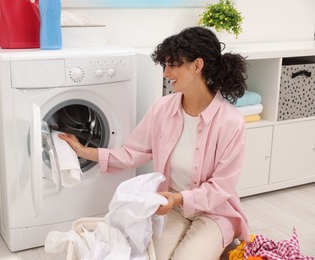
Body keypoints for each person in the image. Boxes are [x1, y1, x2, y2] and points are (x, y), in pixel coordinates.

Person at [59, 26, 250, 260]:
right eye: (164, 65)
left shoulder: (230, 122)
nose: (165, 73)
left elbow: (222, 187)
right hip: (172, 205)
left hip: (214, 211)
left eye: (173, 65)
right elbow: (133, 152)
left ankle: (222, 242)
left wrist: (180, 198)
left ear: (197, 65)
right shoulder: (162, 109)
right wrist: (83, 151)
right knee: (152, 257)